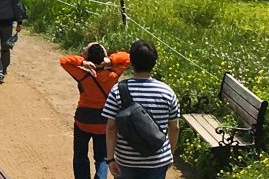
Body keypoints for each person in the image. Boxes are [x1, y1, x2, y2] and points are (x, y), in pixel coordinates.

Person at [101, 40, 180, 179]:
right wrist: (169, 155)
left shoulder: (117, 91)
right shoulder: (167, 92)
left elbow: (111, 128)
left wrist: (110, 159)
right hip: (157, 159)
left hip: (126, 161)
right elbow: (174, 128)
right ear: (154, 62)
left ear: (131, 61)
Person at [62, 43, 132, 179]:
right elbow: (127, 57)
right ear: (104, 57)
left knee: (80, 156)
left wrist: (82, 62)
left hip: (83, 120)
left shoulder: (83, 75)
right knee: (102, 157)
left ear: (88, 58)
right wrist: (111, 61)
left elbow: (64, 61)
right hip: (104, 122)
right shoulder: (113, 75)